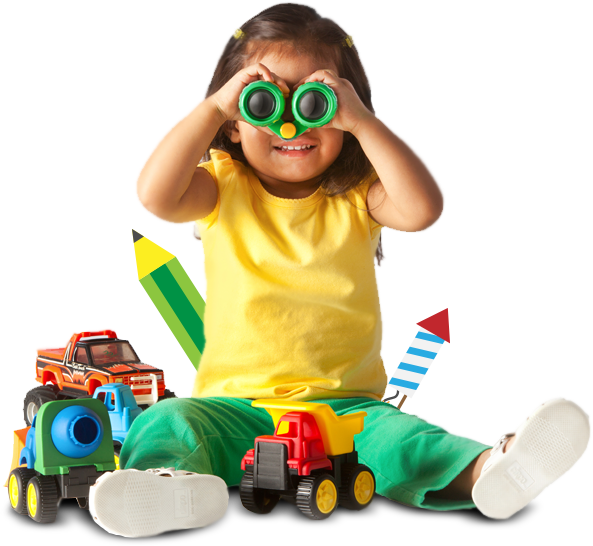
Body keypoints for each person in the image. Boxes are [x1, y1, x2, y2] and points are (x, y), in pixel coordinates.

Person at [88, 2, 591, 538]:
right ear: (236, 124)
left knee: (404, 440)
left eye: (315, 103)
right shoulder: (220, 187)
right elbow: (153, 195)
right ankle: (169, 487)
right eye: (264, 101)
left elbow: (424, 209)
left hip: (349, 412)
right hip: (231, 407)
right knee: (168, 422)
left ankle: (490, 473)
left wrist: (362, 122)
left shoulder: (356, 198)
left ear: (345, 113)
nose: (289, 122)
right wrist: (213, 106)